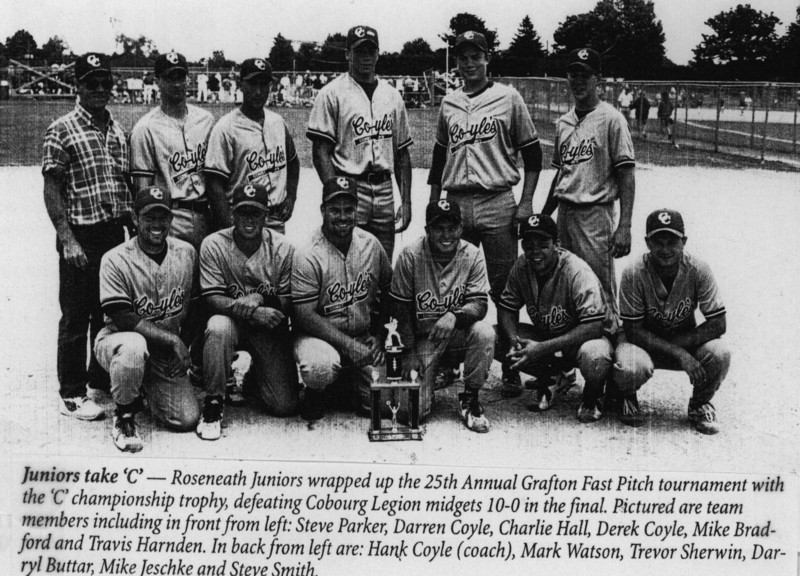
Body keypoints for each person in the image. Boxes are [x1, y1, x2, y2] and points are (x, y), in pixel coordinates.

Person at [427, 31, 542, 396]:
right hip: (457, 201)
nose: (469, 63)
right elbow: (438, 159)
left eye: (475, 56)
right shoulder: (450, 103)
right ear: (457, 62)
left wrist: (526, 203)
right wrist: (434, 204)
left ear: (488, 58)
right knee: (452, 286)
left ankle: (511, 363)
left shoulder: (509, 97)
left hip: (497, 200)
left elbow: (534, 154)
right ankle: (449, 362)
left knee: (504, 289)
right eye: (462, 57)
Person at [42, 52, 132, 421]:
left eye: (104, 82)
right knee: (76, 315)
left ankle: (99, 378)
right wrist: (67, 237)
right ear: (77, 85)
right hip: (81, 232)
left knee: (106, 312)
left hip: (114, 232)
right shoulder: (61, 129)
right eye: (90, 82)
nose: (99, 88)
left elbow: (122, 184)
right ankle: (73, 392)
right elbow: (52, 188)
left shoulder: (117, 130)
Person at [95, 187, 201, 452]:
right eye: (149, 217)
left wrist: (182, 344)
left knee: (186, 418)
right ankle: (124, 415)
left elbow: (196, 306)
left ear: (171, 218)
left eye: (162, 217)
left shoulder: (186, 253)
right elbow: (123, 317)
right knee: (133, 348)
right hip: (117, 341)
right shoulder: (115, 259)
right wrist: (173, 339)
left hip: (162, 352)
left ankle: (142, 387)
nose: (157, 224)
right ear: (135, 217)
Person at [542, 47, 635, 348]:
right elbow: (561, 175)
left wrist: (625, 225)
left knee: (601, 290)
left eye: (585, 74)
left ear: (599, 79)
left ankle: (615, 377)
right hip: (564, 214)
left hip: (596, 214)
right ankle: (568, 365)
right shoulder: (563, 123)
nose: (578, 80)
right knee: (565, 287)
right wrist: (545, 215)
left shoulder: (612, 119)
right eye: (573, 74)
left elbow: (626, 174)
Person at [614, 209, 730, 434]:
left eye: (672, 242)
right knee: (630, 366)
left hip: (683, 340)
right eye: (659, 242)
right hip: (642, 345)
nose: (665, 250)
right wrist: (680, 354)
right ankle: (627, 397)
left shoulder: (698, 269)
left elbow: (718, 323)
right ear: (648, 242)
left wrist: (680, 348)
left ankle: (700, 404)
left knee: (719, 353)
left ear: (683, 242)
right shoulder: (634, 272)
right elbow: (634, 331)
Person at [197, 184, 299, 440]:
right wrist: (253, 313)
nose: (249, 220)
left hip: (267, 328)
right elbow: (211, 298)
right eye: (243, 213)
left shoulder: (283, 248)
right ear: (232, 214)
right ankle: (213, 402)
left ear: (266, 216)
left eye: (255, 213)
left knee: (284, 406)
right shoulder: (213, 244)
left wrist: (261, 297)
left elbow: (288, 301)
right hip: (232, 323)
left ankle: (255, 378)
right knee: (218, 325)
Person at [307, 25, 413, 261]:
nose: (365, 57)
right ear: (347, 54)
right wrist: (336, 192)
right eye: (359, 51)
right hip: (351, 185)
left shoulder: (392, 96)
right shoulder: (331, 93)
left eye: (370, 51)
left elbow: (402, 154)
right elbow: (320, 152)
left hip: (385, 191)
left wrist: (405, 201)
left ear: (377, 54)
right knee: (349, 262)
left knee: (382, 265)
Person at [291, 177, 392, 421]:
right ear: (323, 210)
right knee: (319, 367)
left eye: (349, 210)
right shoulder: (308, 254)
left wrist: (380, 335)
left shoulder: (371, 245)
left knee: (388, 405)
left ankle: (345, 385)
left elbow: (390, 290)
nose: (343, 217)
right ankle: (317, 391)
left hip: (362, 336)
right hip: (319, 339)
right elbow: (303, 314)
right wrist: (349, 346)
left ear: (357, 211)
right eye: (335, 210)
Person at [390, 199, 495, 432]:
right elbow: (399, 308)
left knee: (484, 332)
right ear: (427, 230)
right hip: (423, 340)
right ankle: (433, 377)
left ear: (461, 228)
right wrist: (407, 352)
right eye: (439, 228)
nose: (446, 234)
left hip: (457, 334)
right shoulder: (410, 256)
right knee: (410, 413)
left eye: (452, 227)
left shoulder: (473, 254)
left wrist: (455, 316)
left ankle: (470, 396)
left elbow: (479, 303)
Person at [496, 214, 614, 422]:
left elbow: (595, 326)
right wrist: (513, 339)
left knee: (596, 356)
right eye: (529, 245)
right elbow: (507, 307)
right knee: (497, 337)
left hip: (581, 341)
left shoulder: (577, 271)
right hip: (548, 336)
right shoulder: (522, 265)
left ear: (557, 244)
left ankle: (593, 395)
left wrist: (542, 348)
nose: (536, 252)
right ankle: (554, 376)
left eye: (543, 244)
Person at [131, 52, 215, 251]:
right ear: (158, 81)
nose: (177, 84)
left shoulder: (206, 120)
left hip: (207, 216)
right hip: (172, 218)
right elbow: (143, 190)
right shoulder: (145, 128)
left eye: (181, 77)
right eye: (170, 78)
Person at [206, 58, 300, 233]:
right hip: (242, 219)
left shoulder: (278, 122)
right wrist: (229, 227)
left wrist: (291, 198)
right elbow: (214, 184)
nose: (258, 91)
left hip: (275, 218)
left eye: (264, 84)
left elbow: (293, 162)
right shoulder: (226, 128)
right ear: (241, 85)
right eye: (252, 84)